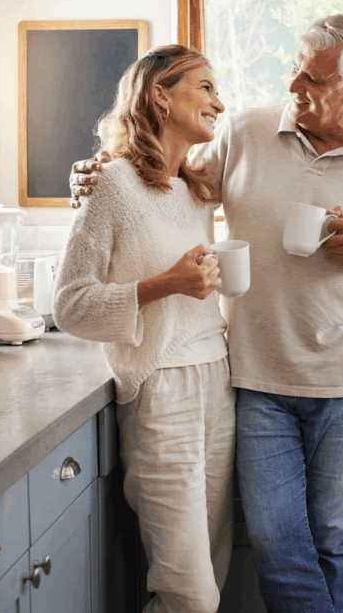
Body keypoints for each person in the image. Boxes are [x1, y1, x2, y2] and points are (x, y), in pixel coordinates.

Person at [71, 14, 343, 613]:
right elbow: (168, 180)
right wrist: (98, 170)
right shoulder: (245, 133)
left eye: (314, 79)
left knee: (333, 539)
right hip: (254, 378)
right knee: (272, 540)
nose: (295, 86)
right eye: (294, 68)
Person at [54, 45, 234, 613]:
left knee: (215, 567)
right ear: (159, 94)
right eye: (204, 87)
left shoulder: (198, 189)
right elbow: (71, 305)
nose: (219, 102)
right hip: (160, 390)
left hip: (217, 382)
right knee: (190, 595)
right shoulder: (111, 185)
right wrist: (167, 283)